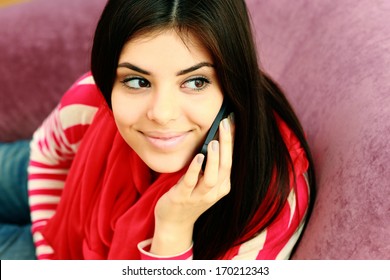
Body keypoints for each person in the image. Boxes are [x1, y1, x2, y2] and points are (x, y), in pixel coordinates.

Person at [1, 0, 315, 260]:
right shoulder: (93, 101)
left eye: (195, 82)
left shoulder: (271, 199)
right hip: (61, 191)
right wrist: (48, 249)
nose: (161, 114)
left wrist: (173, 228)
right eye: (138, 81)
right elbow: (47, 153)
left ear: (232, 85)